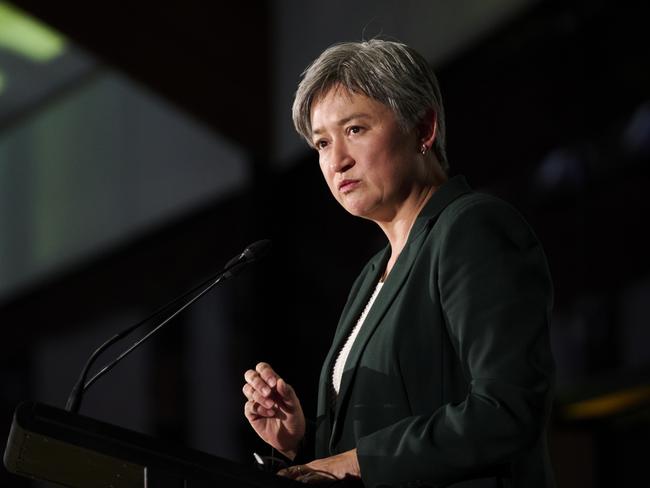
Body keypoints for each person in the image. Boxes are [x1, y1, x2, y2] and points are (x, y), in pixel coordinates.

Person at [242, 39, 555, 487]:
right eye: (322, 143)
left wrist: (350, 462)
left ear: (423, 128)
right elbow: (371, 447)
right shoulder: (372, 276)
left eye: (355, 130)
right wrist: (303, 445)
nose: (337, 161)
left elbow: (506, 410)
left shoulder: (472, 228)